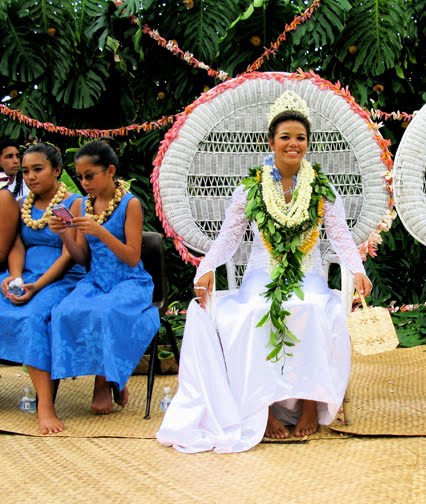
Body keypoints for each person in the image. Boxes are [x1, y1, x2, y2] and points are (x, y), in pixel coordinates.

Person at [156, 91, 372, 454]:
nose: (293, 144)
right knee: (258, 311)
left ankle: (307, 403)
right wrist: (206, 267)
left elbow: (339, 236)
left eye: (300, 138)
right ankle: (266, 408)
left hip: (308, 275)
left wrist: (357, 269)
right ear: (270, 142)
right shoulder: (251, 188)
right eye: (285, 137)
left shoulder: (322, 187)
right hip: (261, 274)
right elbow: (228, 238)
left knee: (313, 308)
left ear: (308, 143)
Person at [49, 139, 160, 417]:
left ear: (110, 171)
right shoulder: (84, 205)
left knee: (106, 312)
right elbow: (82, 257)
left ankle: (105, 381)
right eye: (80, 177)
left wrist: (100, 232)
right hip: (96, 280)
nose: (84, 183)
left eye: (90, 175)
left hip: (129, 281)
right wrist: (64, 232)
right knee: (63, 311)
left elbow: (133, 257)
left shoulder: (130, 204)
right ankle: (114, 375)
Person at [0, 143, 85, 434]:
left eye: (38, 169)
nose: (31, 176)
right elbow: (17, 244)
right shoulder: (24, 204)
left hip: (61, 277)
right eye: (25, 171)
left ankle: (45, 405)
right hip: (26, 274)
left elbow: (68, 254)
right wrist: (14, 278)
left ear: (57, 170)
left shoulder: (73, 204)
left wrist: (36, 286)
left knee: (33, 316)